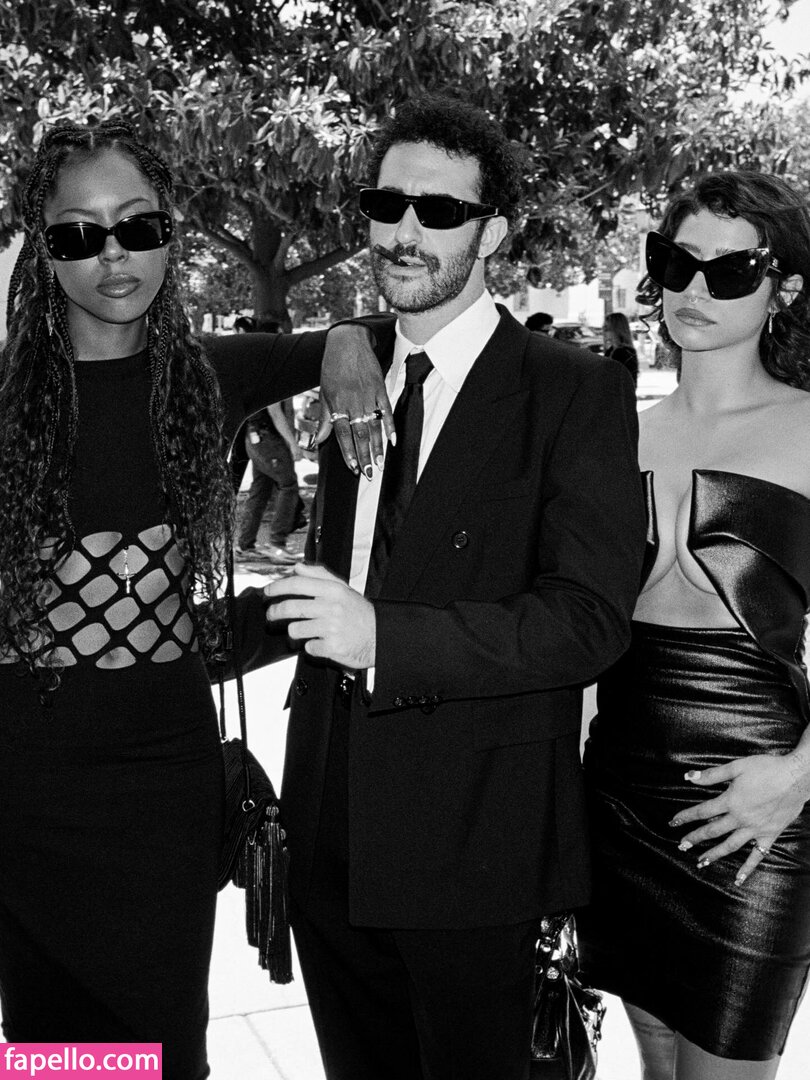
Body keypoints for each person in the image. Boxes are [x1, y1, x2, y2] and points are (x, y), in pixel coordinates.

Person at [261, 95, 646, 1080]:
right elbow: (352, 574)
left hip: (476, 836)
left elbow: (590, 619)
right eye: (386, 204)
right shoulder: (358, 370)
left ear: (494, 232)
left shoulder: (574, 389)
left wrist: (386, 639)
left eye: (439, 212)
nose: (405, 232)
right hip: (330, 818)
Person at [0, 118, 387, 1078]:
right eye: (78, 234)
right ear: (42, 250)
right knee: (50, 1050)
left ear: (171, 234)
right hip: (25, 783)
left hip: (163, 782)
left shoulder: (211, 375)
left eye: (138, 226)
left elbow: (399, 329)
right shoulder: (6, 405)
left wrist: (343, 341)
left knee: (164, 1046)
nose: (113, 255)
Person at [578, 171, 810, 1080]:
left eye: (732, 269)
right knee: (659, 1063)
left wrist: (796, 779)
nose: (694, 289)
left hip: (758, 802)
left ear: (784, 288)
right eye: (678, 262)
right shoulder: (614, 431)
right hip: (621, 791)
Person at [602, 310, 639, 386]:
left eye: (607, 328)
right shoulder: (611, 350)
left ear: (616, 329)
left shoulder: (624, 353)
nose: (604, 332)